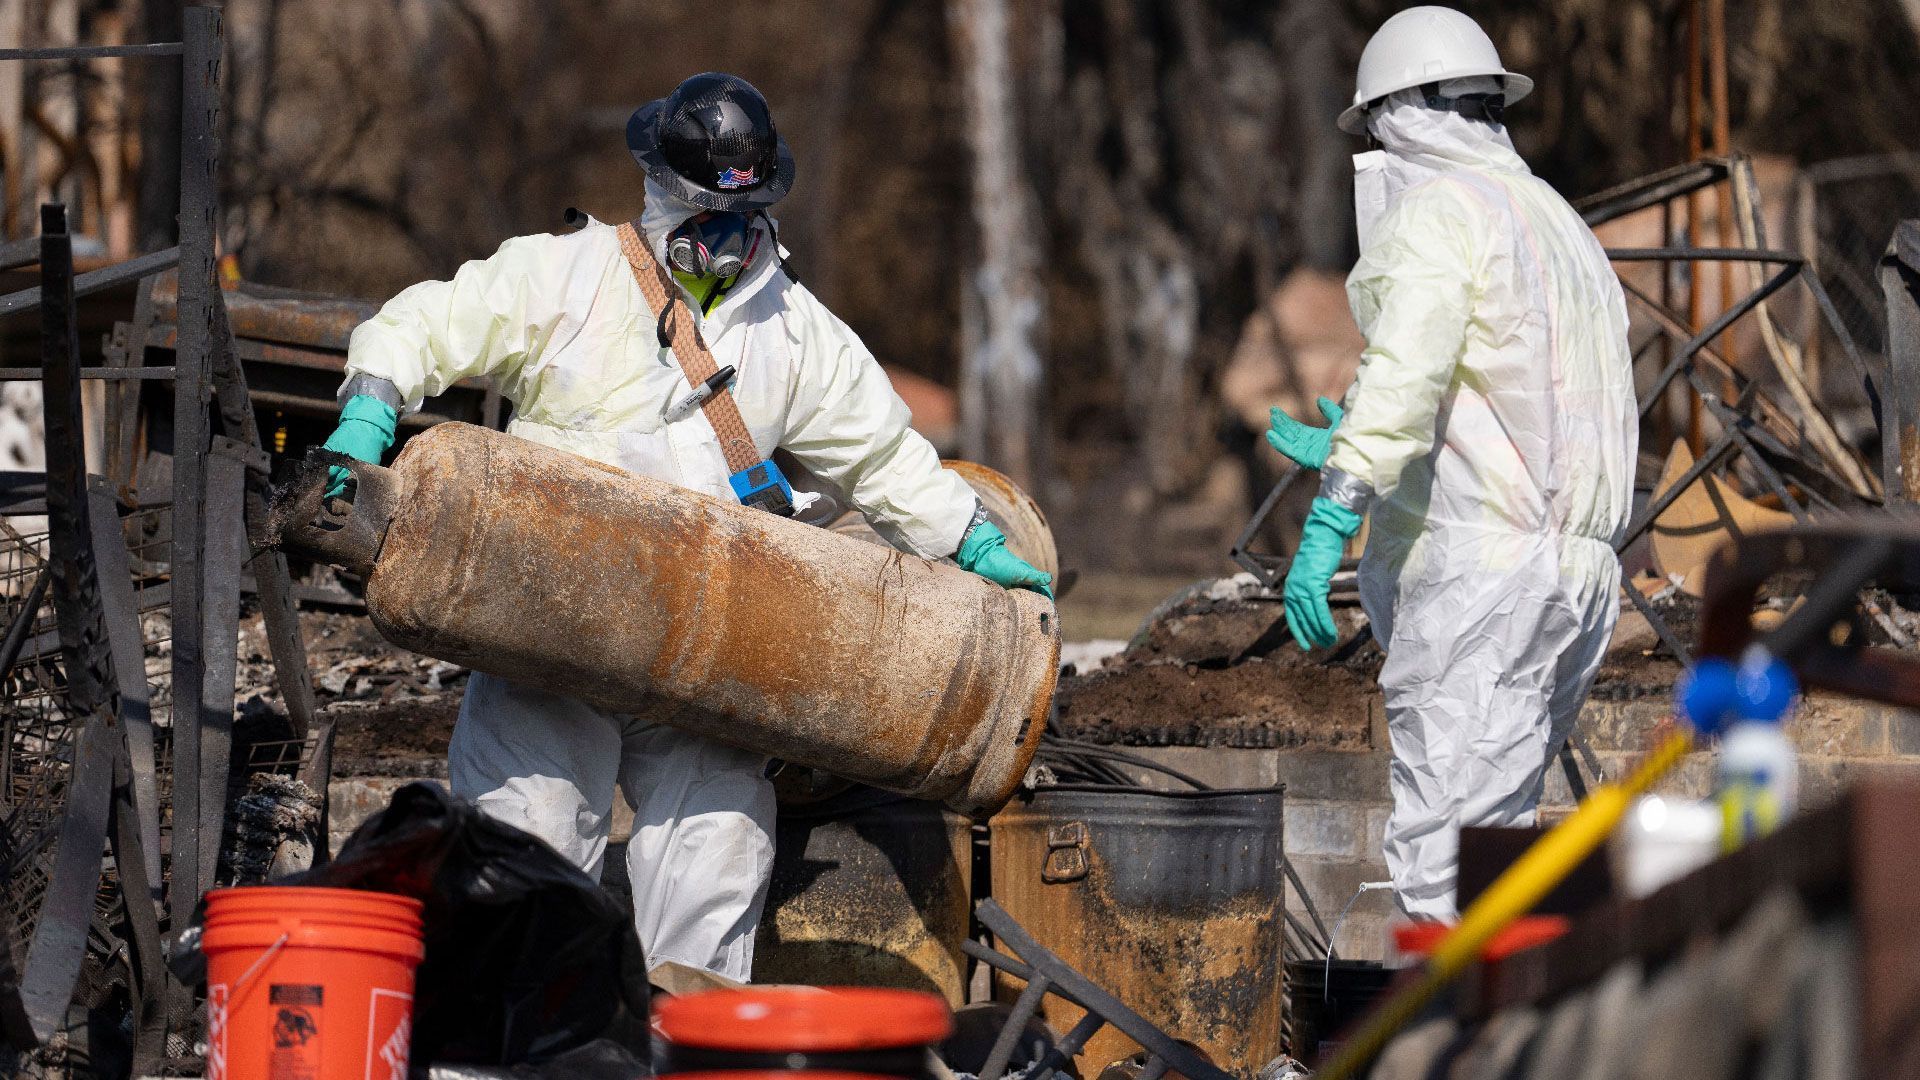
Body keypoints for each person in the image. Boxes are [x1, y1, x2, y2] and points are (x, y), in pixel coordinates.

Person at [317, 72, 1052, 979]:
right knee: (523, 854)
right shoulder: (567, 276)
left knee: (717, 849)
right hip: (545, 618)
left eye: (743, 223)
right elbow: (425, 322)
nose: (728, 243)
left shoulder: (796, 333)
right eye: (706, 219)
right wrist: (370, 407)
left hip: (708, 638)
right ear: (662, 193)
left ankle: (693, 1051)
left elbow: (887, 460)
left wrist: (972, 541)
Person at [1264, 6, 1636, 919]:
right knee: (1496, 848)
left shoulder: (1440, 211)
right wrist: (1373, 436)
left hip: (1485, 578)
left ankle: (1447, 1053)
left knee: (1442, 870)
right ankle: (1513, 1044)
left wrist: (1335, 507)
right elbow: (1521, 393)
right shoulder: (1555, 218)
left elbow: (1408, 369)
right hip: (1577, 575)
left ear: (1399, 111)